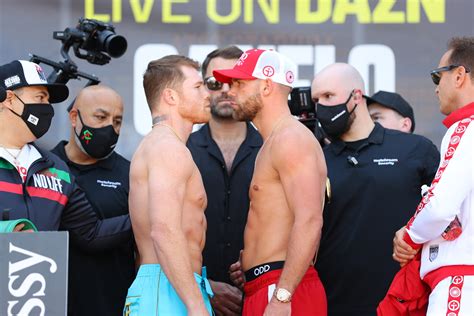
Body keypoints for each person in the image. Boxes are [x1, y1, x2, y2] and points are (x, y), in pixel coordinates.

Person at [310, 63, 440, 316]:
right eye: (316, 100)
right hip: (334, 302)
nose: (321, 107)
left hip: (405, 302)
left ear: (357, 96)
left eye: (328, 96)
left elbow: (449, 214)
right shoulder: (315, 159)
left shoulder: (416, 149)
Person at [213, 48, 328, 315]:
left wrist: (283, 296)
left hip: (283, 290)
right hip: (267, 286)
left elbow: (310, 220)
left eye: (239, 83)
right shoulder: (271, 142)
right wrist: (253, 263)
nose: (230, 91)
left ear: (266, 86)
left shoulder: (291, 139)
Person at [0, 60, 131, 247]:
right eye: (40, 98)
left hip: (41, 276)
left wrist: (149, 218)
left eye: (48, 101)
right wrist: (7, 231)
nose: (47, 107)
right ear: (10, 99)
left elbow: (90, 233)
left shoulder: (57, 169)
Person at [124, 55, 213, 315]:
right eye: (197, 87)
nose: (207, 94)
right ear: (171, 97)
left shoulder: (161, 145)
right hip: (168, 290)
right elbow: (163, 230)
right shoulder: (167, 148)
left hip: (170, 286)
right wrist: (196, 305)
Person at [393, 36, 474, 315]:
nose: (436, 88)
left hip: (461, 285)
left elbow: (440, 205)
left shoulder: (467, 127)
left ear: (460, 75)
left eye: (437, 77)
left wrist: (410, 236)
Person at [187, 46, 262, 316]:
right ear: (203, 87)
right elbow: (161, 230)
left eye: (235, 81)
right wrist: (202, 286)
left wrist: (260, 264)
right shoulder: (182, 149)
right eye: (215, 82)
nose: (226, 90)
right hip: (192, 300)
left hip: (261, 295)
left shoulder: (274, 147)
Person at [51, 85, 135, 316]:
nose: (110, 128)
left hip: (112, 306)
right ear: (74, 117)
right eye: (100, 117)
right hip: (53, 305)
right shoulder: (44, 168)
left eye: (117, 121)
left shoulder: (129, 173)